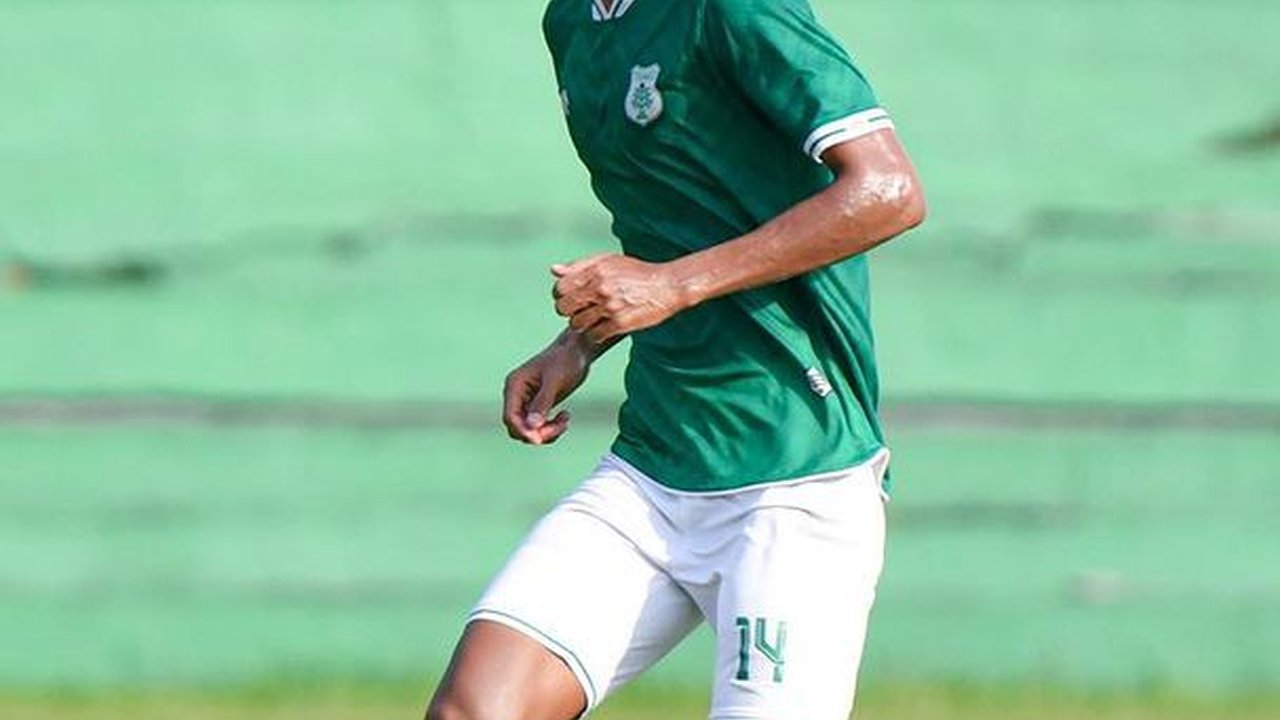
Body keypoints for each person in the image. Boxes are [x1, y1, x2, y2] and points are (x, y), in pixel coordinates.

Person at [427, 0, 925, 717]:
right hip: (655, 468)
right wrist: (581, 340)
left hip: (794, 476)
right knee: (475, 710)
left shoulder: (733, 9)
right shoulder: (573, 21)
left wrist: (670, 285)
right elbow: (677, 218)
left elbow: (890, 191)